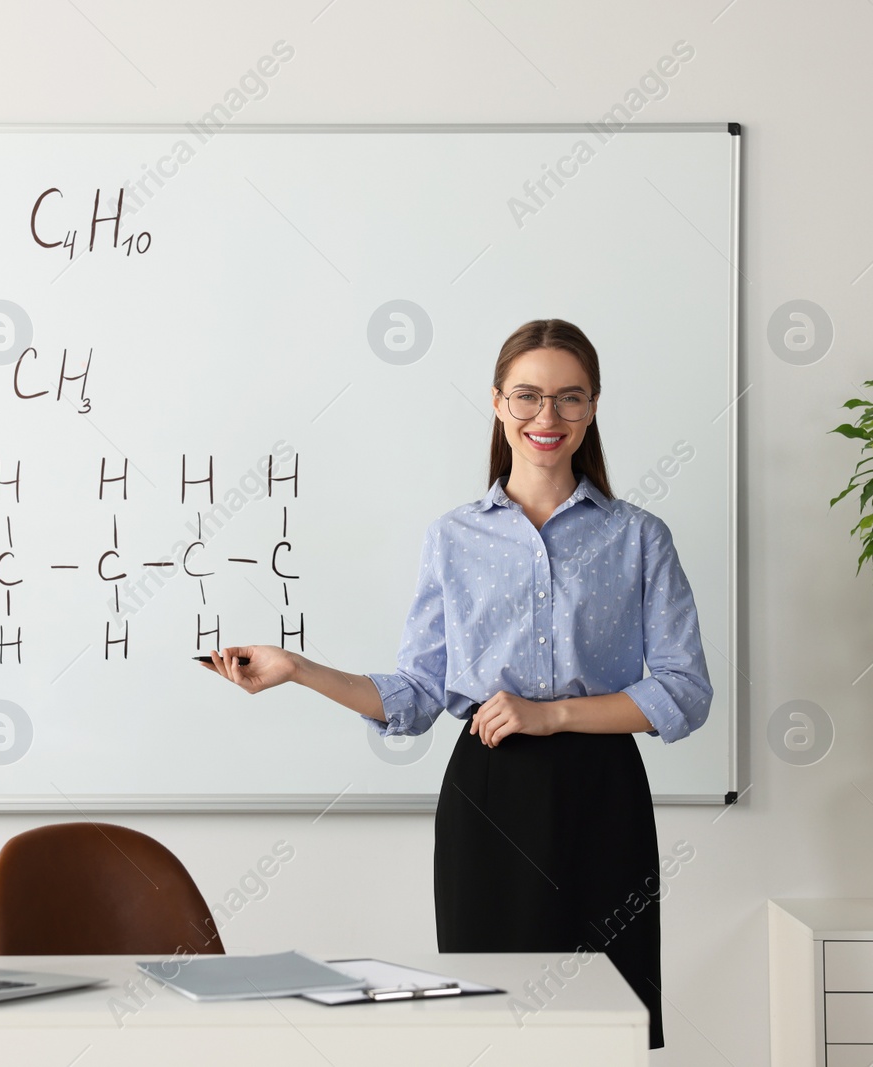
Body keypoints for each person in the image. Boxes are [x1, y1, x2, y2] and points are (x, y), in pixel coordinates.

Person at [199, 317, 713, 1050]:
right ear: (499, 403)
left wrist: (552, 713)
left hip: (606, 800)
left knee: (608, 1028)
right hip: (491, 802)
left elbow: (683, 690)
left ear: (593, 406)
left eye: (570, 398)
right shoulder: (453, 536)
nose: (548, 417)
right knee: (494, 1030)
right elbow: (413, 696)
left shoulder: (638, 536)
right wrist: (297, 669)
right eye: (528, 396)